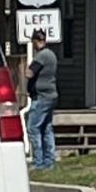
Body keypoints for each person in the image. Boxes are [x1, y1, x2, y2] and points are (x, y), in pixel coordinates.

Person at [25, 30, 58, 171]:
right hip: (51, 95)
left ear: (37, 41)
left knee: (33, 128)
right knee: (46, 128)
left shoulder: (42, 56)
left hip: (42, 96)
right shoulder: (52, 54)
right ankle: (49, 161)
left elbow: (29, 73)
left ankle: (38, 162)